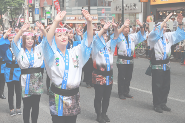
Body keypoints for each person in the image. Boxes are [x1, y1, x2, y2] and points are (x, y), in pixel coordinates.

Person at [43, 10, 93, 123]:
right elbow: (47, 41)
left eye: (65, 34)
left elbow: (88, 40)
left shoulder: (76, 52)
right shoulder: (51, 54)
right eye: (59, 35)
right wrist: (56, 21)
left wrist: (89, 23)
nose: (63, 37)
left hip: (73, 95)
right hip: (57, 96)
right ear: (54, 39)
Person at [91, 17, 127, 123]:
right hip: (98, 75)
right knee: (99, 96)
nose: (105, 36)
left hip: (109, 75)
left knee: (107, 97)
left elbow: (116, 36)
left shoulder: (109, 46)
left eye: (106, 35)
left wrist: (116, 27)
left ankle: (104, 113)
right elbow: (96, 38)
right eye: (104, 35)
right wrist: (103, 29)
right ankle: (98, 115)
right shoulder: (95, 46)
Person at [148, 13, 185, 113]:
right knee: (157, 85)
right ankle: (157, 104)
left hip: (166, 64)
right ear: (157, 27)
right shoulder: (153, 37)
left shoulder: (168, 35)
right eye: (162, 26)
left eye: (165, 26)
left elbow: (179, 35)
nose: (164, 28)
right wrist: (165, 20)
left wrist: (180, 23)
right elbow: (155, 33)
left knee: (166, 85)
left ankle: (163, 103)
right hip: (157, 64)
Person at [11, 22, 46, 123]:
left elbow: (47, 41)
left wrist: (42, 30)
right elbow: (13, 42)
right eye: (27, 39)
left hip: (37, 80)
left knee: (36, 106)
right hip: (25, 80)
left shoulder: (39, 49)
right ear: (24, 40)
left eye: (32, 38)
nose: (30, 41)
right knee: (26, 106)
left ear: (35, 39)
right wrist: (22, 30)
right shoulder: (19, 51)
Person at [117, 20, 145, 100]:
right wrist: (122, 26)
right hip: (122, 59)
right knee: (122, 77)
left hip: (130, 59)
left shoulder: (132, 36)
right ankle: (121, 93)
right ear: (122, 28)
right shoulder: (119, 36)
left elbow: (141, 35)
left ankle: (126, 92)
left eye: (128, 27)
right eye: (125, 27)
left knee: (128, 77)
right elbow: (115, 34)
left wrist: (141, 26)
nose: (127, 29)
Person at [0, 28, 22, 116]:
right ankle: (11, 108)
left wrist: (18, 33)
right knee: (10, 91)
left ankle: (18, 107)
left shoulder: (19, 46)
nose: (12, 40)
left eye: (13, 38)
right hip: (9, 71)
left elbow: (22, 41)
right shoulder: (4, 48)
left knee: (18, 91)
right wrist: (5, 35)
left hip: (18, 70)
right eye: (10, 38)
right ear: (7, 39)